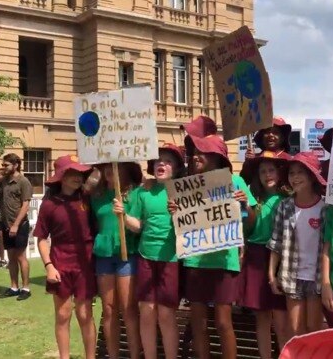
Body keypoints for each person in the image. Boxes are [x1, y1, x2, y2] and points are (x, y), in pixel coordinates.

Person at [176, 134, 257, 359]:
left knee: (223, 323)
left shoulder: (236, 182)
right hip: (195, 259)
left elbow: (250, 224)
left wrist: (245, 206)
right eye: (195, 153)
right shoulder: (188, 186)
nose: (195, 157)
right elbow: (182, 226)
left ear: (216, 157)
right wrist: (177, 213)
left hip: (225, 261)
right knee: (199, 323)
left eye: (202, 152)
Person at [121, 144, 185, 359]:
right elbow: (137, 225)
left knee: (166, 314)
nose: (162, 164)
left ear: (175, 168)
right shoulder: (143, 191)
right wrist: (123, 216)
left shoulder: (185, 190)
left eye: (167, 161)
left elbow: (194, 226)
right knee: (146, 311)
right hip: (146, 257)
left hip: (171, 259)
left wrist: (179, 214)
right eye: (158, 160)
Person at [34, 155, 97, 359]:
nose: (77, 177)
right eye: (72, 173)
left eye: (80, 173)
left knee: (85, 314)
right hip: (60, 260)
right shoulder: (49, 204)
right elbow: (41, 238)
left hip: (85, 261)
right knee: (63, 314)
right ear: (61, 177)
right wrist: (49, 266)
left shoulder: (88, 199)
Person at [238, 152, 291, 358]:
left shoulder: (288, 198)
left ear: (279, 172)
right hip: (256, 256)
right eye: (262, 171)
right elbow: (248, 229)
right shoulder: (254, 199)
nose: (267, 174)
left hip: (279, 257)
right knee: (261, 316)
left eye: (271, 170)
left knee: (280, 317)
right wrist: (245, 207)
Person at [268, 152, 325, 336]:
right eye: (292, 173)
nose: (295, 177)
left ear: (312, 175)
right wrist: (271, 273)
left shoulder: (325, 207)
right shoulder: (285, 206)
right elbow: (276, 242)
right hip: (291, 275)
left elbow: (329, 245)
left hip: (316, 278)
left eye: (301, 172)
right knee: (295, 330)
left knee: (313, 330)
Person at [91, 162, 143, 359]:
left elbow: (139, 227)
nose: (109, 170)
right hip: (104, 255)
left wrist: (125, 215)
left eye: (116, 167)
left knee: (128, 309)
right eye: (106, 167)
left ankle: (134, 355)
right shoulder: (96, 196)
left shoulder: (136, 194)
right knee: (108, 309)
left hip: (126, 255)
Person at [0, 153, 33, 301]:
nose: (3, 167)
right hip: (6, 225)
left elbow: (25, 204)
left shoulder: (23, 181)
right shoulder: (4, 181)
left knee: (20, 256)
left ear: (16, 165)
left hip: (20, 225)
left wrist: (16, 225)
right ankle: (14, 287)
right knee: (11, 257)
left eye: (6, 165)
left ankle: (26, 288)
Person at [240, 117, 293, 184]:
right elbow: (244, 182)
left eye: (275, 132)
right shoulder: (254, 159)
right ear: (262, 137)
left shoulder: (289, 160)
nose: (270, 135)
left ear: (282, 138)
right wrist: (248, 163)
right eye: (267, 132)